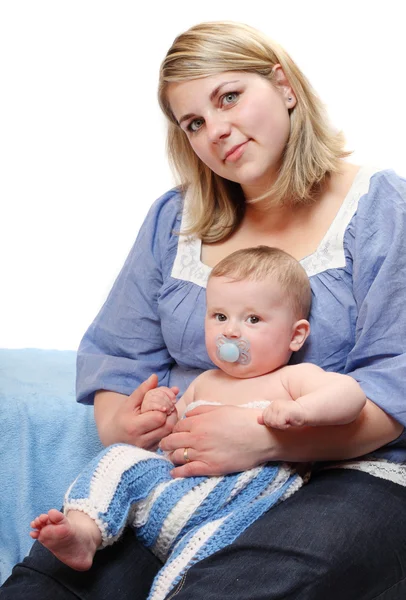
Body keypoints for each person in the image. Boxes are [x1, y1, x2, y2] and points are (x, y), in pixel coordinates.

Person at [2, 19, 406, 600]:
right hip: (190, 472)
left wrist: (268, 441)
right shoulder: (177, 219)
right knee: (53, 581)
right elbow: (119, 359)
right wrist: (129, 422)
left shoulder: (379, 206)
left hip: (350, 472)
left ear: (284, 85)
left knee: (227, 585)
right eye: (194, 122)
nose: (217, 130)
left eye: (230, 97)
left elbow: (395, 386)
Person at [28, 246, 366, 588]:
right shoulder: (204, 381)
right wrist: (159, 410)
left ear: (296, 335)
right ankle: (85, 532)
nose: (231, 332)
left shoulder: (291, 379)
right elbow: (170, 433)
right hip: (168, 491)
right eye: (220, 316)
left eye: (252, 319)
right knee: (118, 458)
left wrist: (301, 410)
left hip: (232, 510)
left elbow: (351, 395)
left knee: (207, 565)